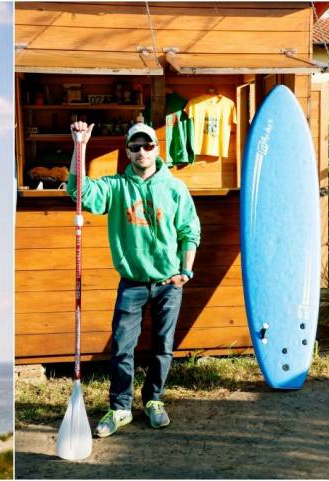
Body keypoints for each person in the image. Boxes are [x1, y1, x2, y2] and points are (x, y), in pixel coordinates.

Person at [68, 122, 200, 436]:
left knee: (163, 347)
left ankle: (154, 399)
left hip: (169, 283)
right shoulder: (116, 187)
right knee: (122, 348)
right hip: (132, 283)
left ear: (157, 148)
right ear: (128, 151)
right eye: (135, 146)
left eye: (148, 145)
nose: (142, 151)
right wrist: (79, 146)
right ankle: (120, 407)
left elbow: (189, 231)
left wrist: (186, 271)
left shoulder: (174, 188)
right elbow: (78, 191)